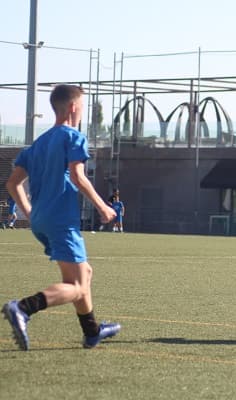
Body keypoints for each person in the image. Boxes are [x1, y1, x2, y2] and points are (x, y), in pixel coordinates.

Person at [2, 84, 121, 351]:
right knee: (77, 285)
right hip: (59, 220)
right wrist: (103, 207)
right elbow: (78, 176)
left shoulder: (39, 143)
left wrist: (30, 212)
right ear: (73, 108)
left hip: (41, 220)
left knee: (84, 272)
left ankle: (92, 331)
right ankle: (22, 308)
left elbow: (13, 183)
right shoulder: (73, 136)